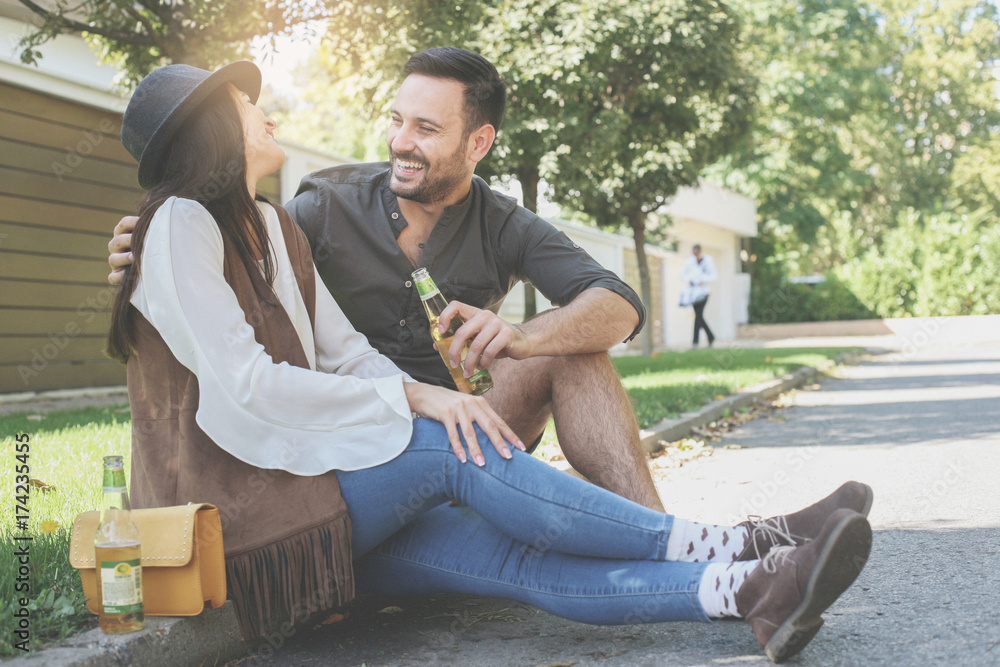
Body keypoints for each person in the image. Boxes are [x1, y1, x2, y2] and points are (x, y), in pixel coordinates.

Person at [109, 60, 874, 663]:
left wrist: (446, 383)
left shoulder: (273, 228)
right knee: (451, 443)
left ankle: (749, 589)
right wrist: (419, 401)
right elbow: (244, 384)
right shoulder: (183, 223)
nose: (263, 107)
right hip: (246, 526)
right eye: (244, 102)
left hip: (325, 504)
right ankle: (741, 538)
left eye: (425, 125)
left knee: (519, 562)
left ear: (476, 141)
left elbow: (346, 355)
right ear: (214, 128)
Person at [109, 48, 658, 511]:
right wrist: (146, 251)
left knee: (575, 351)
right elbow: (234, 247)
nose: (400, 142)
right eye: (397, 120)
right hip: (357, 427)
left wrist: (525, 338)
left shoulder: (506, 224)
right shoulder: (324, 206)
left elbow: (620, 304)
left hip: (472, 412)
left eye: (425, 128)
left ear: (478, 143)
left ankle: (659, 527)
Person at [680, 244, 717, 347]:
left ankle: (695, 342)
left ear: (700, 251)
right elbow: (682, 275)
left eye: (697, 252)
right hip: (693, 294)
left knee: (698, 316)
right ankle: (711, 336)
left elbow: (713, 275)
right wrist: (690, 280)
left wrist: (703, 280)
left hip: (703, 293)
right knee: (699, 317)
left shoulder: (708, 260)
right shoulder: (689, 261)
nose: (695, 254)